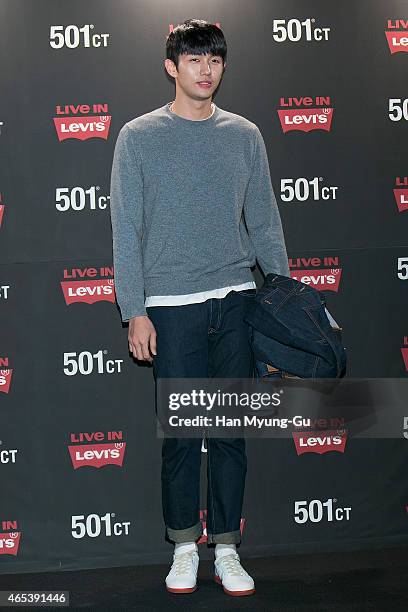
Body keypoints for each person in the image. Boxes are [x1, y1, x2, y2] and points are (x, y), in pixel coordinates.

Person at [109, 18, 290, 597]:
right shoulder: (138, 136)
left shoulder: (245, 135)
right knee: (184, 436)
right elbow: (126, 228)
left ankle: (228, 549)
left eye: (214, 60)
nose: (205, 70)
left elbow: (264, 222)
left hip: (234, 299)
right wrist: (133, 308)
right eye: (193, 60)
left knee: (230, 431)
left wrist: (283, 299)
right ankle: (185, 545)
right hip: (170, 306)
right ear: (172, 66)